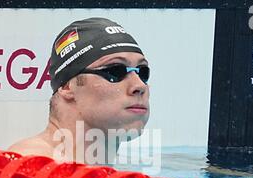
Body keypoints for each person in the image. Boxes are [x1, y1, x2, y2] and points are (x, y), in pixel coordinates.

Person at [8, 17, 150, 164]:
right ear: (67, 86)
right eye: (115, 71)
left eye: (143, 72)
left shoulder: (122, 166)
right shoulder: (29, 167)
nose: (139, 85)